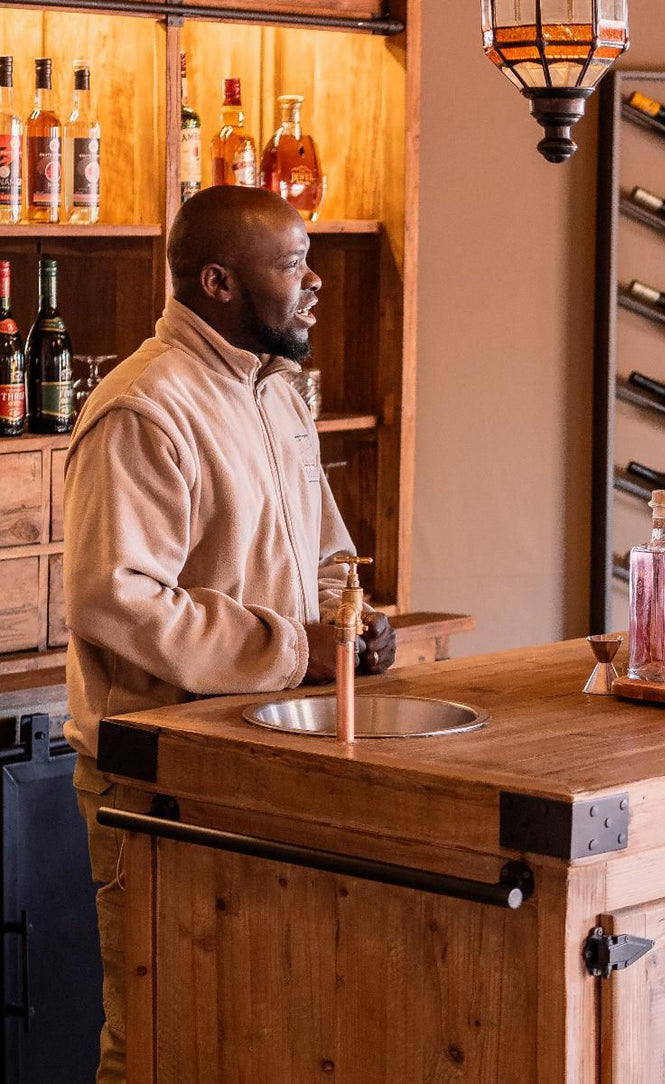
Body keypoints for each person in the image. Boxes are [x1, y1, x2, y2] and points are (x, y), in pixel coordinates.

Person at [63, 185, 397, 1083]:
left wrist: (353, 625)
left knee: (258, 1037)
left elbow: (329, 552)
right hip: (159, 781)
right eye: (291, 264)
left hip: (267, 763)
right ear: (217, 281)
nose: (315, 283)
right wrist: (294, 650)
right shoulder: (145, 407)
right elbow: (112, 598)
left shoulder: (276, 391)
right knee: (161, 1037)